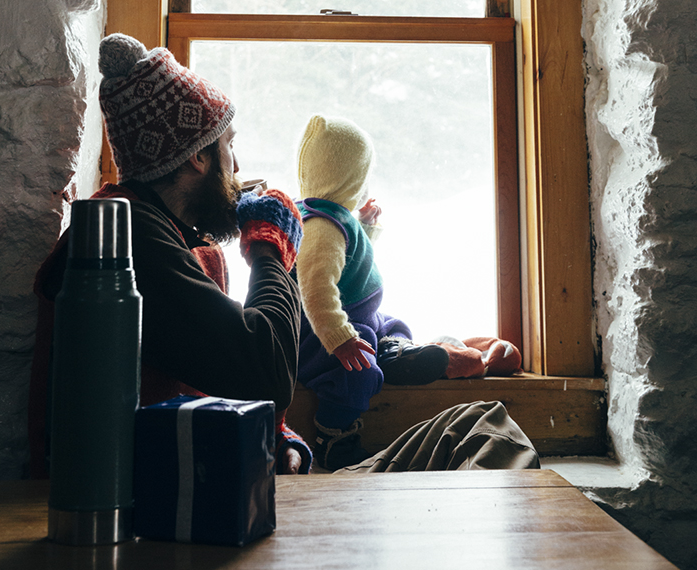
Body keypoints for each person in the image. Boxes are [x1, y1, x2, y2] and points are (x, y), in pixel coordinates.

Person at [29, 33, 539, 479]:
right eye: (228, 146)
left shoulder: (166, 237)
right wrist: (273, 250)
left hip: (231, 482)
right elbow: (266, 373)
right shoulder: (133, 240)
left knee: (480, 424)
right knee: (491, 434)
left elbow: (214, 373)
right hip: (188, 509)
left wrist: (280, 440)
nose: (238, 165)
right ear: (196, 157)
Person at [294, 114, 451, 470]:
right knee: (356, 373)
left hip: (358, 317)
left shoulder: (330, 217)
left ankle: (394, 350)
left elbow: (347, 262)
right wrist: (340, 339)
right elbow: (316, 289)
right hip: (322, 334)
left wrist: (363, 227)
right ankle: (334, 437)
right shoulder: (322, 227)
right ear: (348, 178)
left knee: (392, 323)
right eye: (362, 178)